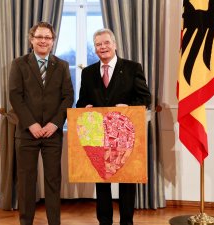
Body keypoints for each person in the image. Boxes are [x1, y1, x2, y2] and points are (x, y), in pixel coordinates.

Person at [76, 28, 151, 225]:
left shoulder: (133, 68)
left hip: (125, 133)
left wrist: (129, 107)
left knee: (127, 181)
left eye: (106, 43)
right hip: (98, 134)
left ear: (115, 44)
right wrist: (85, 107)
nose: (103, 47)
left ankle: (127, 221)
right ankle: (105, 221)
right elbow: (80, 102)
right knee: (101, 181)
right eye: (98, 44)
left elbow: (145, 98)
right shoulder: (88, 72)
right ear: (95, 49)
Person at [9, 21, 74, 225]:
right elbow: (15, 96)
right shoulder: (19, 64)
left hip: (52, 133)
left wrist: (55, 124)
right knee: (27, 181)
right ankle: (26, 222)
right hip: (27, 133)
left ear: (53, 41)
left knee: (53, 181)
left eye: (47, 37)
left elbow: (68, 97)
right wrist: (31, 124)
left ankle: (54, 222)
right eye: (39, 37)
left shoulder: (62, 65)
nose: (43, 41)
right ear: (32, 40)